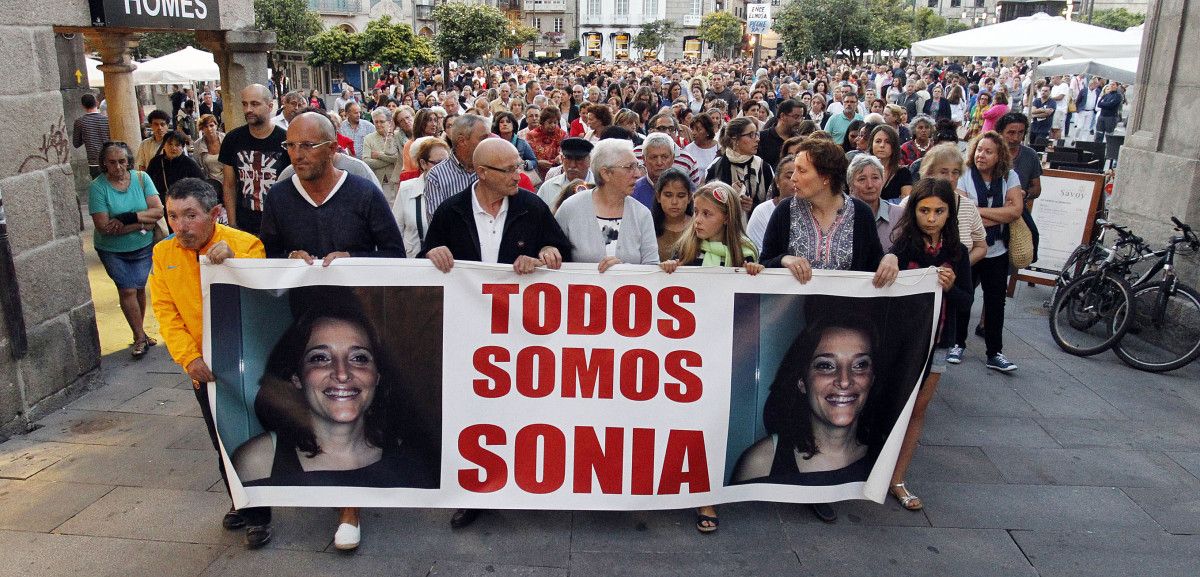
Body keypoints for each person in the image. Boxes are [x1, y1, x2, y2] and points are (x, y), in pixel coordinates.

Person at [419, 140, 572, 534]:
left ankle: (524, 484)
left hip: (521, 333)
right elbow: (422, 264)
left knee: (522, 411)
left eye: (518, 166)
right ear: (481, 172)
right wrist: (433, 255)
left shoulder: (531, 205)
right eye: (507, 169)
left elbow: (561, 252)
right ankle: (475, 492)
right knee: (473, 415)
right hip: (467, 335)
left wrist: (546, 254)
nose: (517, 175)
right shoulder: (451, 210)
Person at [232, 305, 437, 546]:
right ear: (297, 377)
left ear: (378, 375)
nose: (342, 374)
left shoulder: (413, 458)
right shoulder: (256, 461)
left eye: (359, 358)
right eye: (320, 358)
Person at [149, 177, 270, 548]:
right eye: (172, 216)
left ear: (215, 213)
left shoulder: (245, 244)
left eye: (190, 216)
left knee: (254, 435)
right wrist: (189, 358)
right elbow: (165, 312)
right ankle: (242, 501)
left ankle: (261, 511)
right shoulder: (163, 254)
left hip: (250, 361)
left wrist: (231, 264)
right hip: (204, 366)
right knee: (222, 437)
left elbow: (264, 297)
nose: (180, 226)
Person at [659, 180, 761, 533]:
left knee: (713, 427)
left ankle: (707, 496)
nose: (697, 220)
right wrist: (669, 272)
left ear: (727, 219)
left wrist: (754, 277)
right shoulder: (686, 248)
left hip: (723, 355)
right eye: (696, 213)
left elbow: (753, 306)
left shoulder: (746, 253)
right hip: (684, 355)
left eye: (707, 214)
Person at [885, 177, 973, 511]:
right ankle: (875, 472)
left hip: (939, 341)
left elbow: (966, 302)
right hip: (903, 342)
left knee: (918, 409)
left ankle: (898, 479)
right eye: (924, 210)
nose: (931, 217)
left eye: (939, 211)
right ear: (914, 211)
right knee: (892, 406)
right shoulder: (903, 247)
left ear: (950, 213)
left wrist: (951, 287)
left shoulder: (957, 253)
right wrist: (889, 262)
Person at [733, 314, 881, 486]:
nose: (844, 381)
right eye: (826, 365)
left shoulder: (886, 460)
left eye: (860, 365)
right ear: (802, 382)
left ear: (872, 378)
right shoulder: (760, 463)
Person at [259, 112, 405, 262]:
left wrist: (352, 258)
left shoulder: (365, 193)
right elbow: (265, 256)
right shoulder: (278, 196)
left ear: (332, 148)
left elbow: (395, 254)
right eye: (290, 145)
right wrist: (289, 258)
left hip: (354, 285)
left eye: (307, 146)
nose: (297, 155)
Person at [953, 132, 1024, 371]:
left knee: (996, 302)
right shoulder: (964, 175)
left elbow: (1015, 211)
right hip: (970, 250)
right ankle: (957, 343)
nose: (981, 155)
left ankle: (995, 352)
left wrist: (978, 211)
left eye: (988, 151)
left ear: (999, 156)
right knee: (964, 297)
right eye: (979, 150)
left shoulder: (1009, 176)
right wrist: (998, 212)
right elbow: (963, 212)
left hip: (997, 251)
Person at [89, 141, 164, 358]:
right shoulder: (98, 187)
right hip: (112, 250)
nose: (118, 167)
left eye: (122, 161)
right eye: (112, 163)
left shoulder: (142, 179)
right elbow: (104, 227)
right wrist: (142, 223)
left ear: (128, 161)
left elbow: (158, 211)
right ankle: (140, 337)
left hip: (142, 246)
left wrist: (126, 218)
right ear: (104, 163)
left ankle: (139, 331)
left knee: (139, 287)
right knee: (127, 289)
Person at [555, 138, 659, 271]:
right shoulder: (570, 208)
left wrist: (623, 270)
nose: (638, 174)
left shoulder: (641, 213)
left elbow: (652, 266)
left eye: (637, 166)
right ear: (605, 173)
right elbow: (554, 258)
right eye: (629, 168)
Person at [219, 84, 291, 234]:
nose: (248, 109)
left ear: (270, 106)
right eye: (244, 104)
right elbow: (229, 185)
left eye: (255, 104)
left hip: (280, 225)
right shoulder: (232, 139)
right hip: (244, 224)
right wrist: (232, 224)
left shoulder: (287, 139)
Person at [917, 143, 988, 267]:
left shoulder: (968, 207)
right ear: (929, 173)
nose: (950, 178)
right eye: (944, 172)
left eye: (955, 172)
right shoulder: (911, 203)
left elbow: (981, 246)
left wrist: (960, 267)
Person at [392, 136, 450, 256]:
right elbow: (395, 231)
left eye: (447, 163)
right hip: (415, 264)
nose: (444, 168)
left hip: (447, 265)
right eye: (438, 163)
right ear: (423, 163)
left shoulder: (455, 190)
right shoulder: (406, 189)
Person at [706, 117, 774, 216]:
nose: (757, 139)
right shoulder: (716, 167)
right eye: (751, 135)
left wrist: (753, 207)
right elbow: (708, 203)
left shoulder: (763, 167)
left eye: (756, 134)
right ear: (735, 138)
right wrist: (730, 198)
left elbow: (772, 203)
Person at [423, 114, 489, 214]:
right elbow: (438, 223)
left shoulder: (492, 169)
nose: (488, 143)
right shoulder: (436, 176)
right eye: (483, 138)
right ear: (462, 141)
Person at [847, 154, 898, 252]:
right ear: (850, 185)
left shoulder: (900, 215)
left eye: (875, 178)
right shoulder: (839, 215)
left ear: (882, 181)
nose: (870, 185)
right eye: (862, 179)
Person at [146, 131, 205, 213]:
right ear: (164, 145)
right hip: (160, 206)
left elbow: (202, 187)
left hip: (184, 206)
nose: (173, 148)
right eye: (170, 144)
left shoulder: (190, 164)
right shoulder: (155, 162)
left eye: (177, 145)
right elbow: (147, 185)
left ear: (182, 147)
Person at [747, 155, 796, 252]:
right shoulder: (762, 211)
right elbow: (756, 252)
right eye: (789, 176)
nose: (794, 180)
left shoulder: (817, 210)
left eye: (801, 175)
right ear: (777, 181)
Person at [651, 168, 694, 262]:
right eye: (668, 195)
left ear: (689, 198)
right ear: (658, 197)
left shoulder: (696, 226)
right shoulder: (648, 226)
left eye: (681, 196)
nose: (674, 202)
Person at [537, 137, 593, 206]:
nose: (572, 165)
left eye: (578, 160)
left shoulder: (600, 186)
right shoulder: (548, 187)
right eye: (568, 159)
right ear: (562, 159)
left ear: (589, 160)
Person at [632, 133, 678, 209]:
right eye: (654, 157)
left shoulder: (684, 189)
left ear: (673, 158)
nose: (659, 163)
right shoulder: (633, 191)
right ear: (644, 159)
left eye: (664, 157)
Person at [363, 108, 399, 202]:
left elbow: (398, 158)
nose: (378, 125)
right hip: (378, 183)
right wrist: (391, 159)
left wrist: (379, 155)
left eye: (382, 121)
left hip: (396, 183)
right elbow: (366, 161)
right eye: (376, 122)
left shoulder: (397, 136)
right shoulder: (368, 138)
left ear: (389, 122)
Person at [870, 125, 913, 201]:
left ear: (894, 146)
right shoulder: (863, 170)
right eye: (878, 141)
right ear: (871, 144)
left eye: (887, 142)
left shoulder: (903, 173)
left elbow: (906, 203)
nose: (882, 145)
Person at [73, 92, 110, 178]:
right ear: (96, 103)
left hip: (94, 163)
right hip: (109, 159)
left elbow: (76, 144)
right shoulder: (107, 120)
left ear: (83, 106)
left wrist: (87, 138)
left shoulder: (79, 122)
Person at [758, 99, 803, 169]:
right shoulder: (761, 138)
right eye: (796, 117)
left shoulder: (799, 141)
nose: (799, 121)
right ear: (782, 116)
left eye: (801, 117)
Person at [492, 111, 538, 176]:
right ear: (498, 125)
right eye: (501, 122)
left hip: (517, 177)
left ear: (513, 125)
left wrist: (525, 164)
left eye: (508, 122)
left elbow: (534, 161)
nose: (505, 124)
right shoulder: (493, 142)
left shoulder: (521, 143)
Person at [527, 107, 565, 180]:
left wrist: (559, 157)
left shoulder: (562, 134)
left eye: (555, 122)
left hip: (556, 172)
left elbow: (564, 152)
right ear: (543, 122)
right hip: (537, 172)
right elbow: (528, 156)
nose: (553, 125)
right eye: (550, 122)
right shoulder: (532, 135)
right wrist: (537, 162)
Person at [193, 114, 226, 194]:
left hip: (229, 181)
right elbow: (197, 165)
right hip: (211, 184)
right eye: (205, 126)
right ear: (202, 129)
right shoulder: (197, 144)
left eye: (211, 125)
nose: (209, 129)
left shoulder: (225, 138)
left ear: (216, 126)